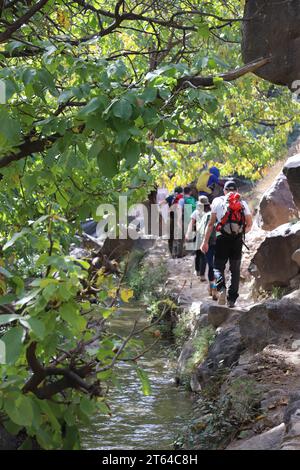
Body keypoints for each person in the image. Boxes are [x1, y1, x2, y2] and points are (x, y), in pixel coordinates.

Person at [200, 180, 253, 308]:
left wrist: (205, 242)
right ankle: (232, 300)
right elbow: (249, 224)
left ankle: (222, 288)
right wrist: (240, 232)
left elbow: (211, 224)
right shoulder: (242, 203)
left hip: (221, 238)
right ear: (237, 191)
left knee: (218, 267)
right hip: (237, 240)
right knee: (235, 270)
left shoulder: (217, 201)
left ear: (224, 191)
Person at [186, 196, 218, 300]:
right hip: (216, 241)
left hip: (202, 238)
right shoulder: (214, 213)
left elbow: (192, 223)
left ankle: (202, 275)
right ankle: (213, 287)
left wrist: (188, 234)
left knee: (201, 256)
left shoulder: (197, 212)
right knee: (214, 265)